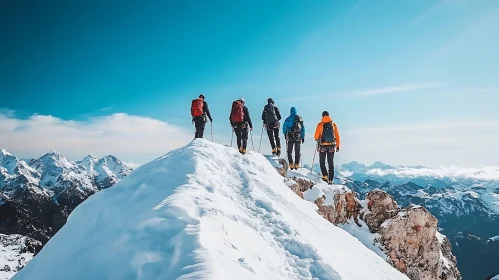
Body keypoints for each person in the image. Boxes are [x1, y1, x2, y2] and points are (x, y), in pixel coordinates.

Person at [313, 111, 341, 184]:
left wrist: (317, 139)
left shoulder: (320, 125)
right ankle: (331, 180)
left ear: (322, 116)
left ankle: (325, 176)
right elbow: (337, 136)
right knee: (331, 163)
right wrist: (337, 146)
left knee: (322, 162)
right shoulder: (333, 124)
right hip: (331, 146)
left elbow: (315, 136)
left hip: (322, 146)